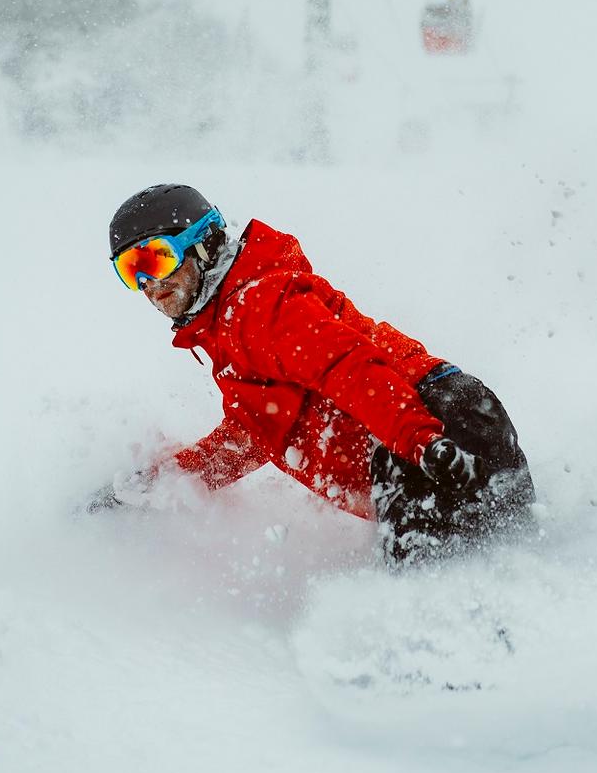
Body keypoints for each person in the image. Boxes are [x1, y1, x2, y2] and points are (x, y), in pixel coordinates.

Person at [96, 182, 536, 564]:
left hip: (428, 426)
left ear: (202, 243)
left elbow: (349, 367)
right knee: (510, 563)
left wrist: (421, 441)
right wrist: (154, 488)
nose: (149, 284)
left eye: (156, 258)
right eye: (130, 270)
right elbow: (253, 434)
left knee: (444, 598)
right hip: (430, 431)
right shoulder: (230, 327)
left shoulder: (258, 306)